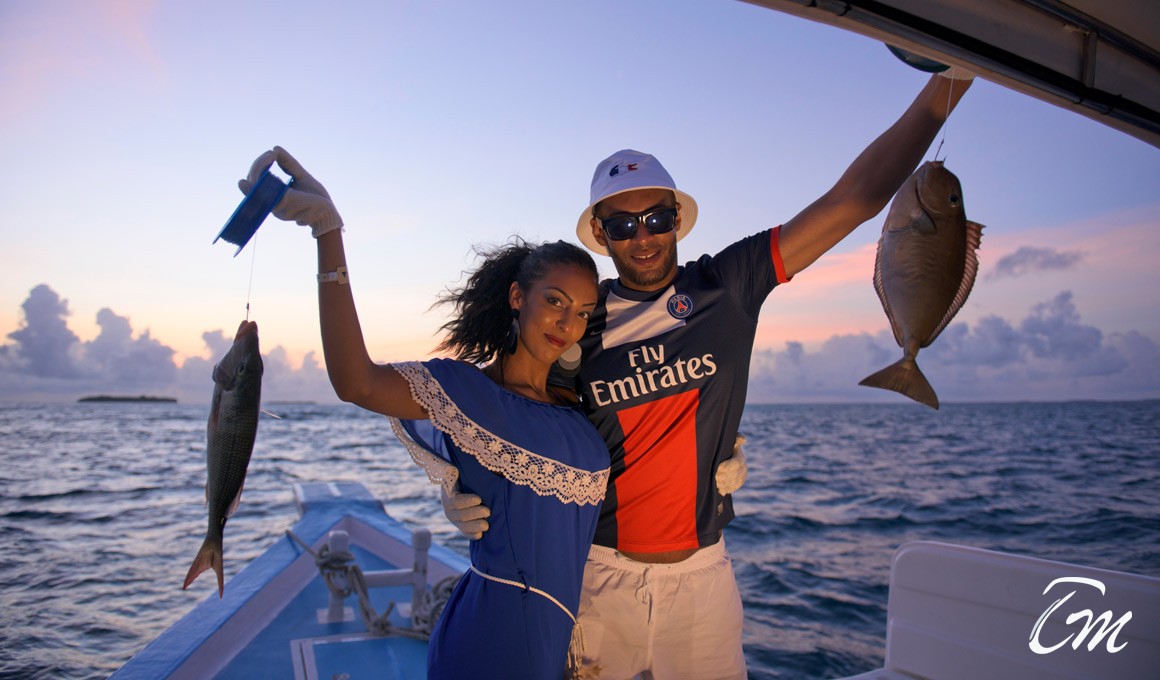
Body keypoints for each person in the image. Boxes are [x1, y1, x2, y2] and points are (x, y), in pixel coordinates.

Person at [444, 68, 974, 677]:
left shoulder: (729, 284)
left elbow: (851, 200)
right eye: (622, 226)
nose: (643, 237)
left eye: (656, 218)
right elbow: (501, 400)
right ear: (601, 237)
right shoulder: (579, 323)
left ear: (677, 218)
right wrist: (458, 478)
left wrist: (950, 82)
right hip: (595, 579)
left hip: (703, 582)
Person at [239, 147, 610, 679]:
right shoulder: (466, 392)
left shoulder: (575, 405)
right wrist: (328, 232)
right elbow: (356, 381)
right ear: (516, 296)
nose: (567, 324)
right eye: (554, 301)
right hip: (489, 642)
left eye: (582, 313)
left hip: (556, 647)